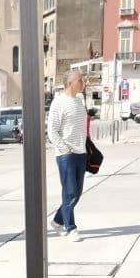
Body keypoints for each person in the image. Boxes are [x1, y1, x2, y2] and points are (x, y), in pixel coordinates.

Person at [47, 69, 89, 241]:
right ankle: (70, 228)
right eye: (80, 80)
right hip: (67, 155)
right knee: (70, 192)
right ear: (70, 83)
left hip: (81, 153)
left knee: (76, 193)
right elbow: (52, 131)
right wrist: (65, 149)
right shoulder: (58, 103)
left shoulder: (79, 101)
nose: (83, 83)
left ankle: (57, 221)